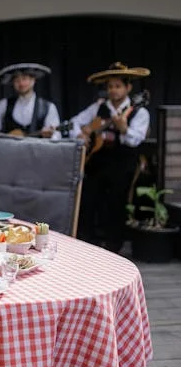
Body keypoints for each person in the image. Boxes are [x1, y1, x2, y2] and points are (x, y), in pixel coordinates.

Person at [70, 62, 151, 251]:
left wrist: (124, 129)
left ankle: (114, 247)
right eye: (110, 86)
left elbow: (135, 140)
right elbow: (75, 122)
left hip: (122, 164)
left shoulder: (139, 111)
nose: (113, 90)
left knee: (116, 204)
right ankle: (86, 244)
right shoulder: (98, 107)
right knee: (89, 201)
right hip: (96, 163)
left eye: (118, 86)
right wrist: (81, 134)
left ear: (128, 87)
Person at [0, 62, 62, 141]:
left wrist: (50, 136)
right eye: (17, 80)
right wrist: (2, 140)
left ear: (33, 80)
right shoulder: (4, 104)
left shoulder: (48, 107)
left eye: (24, 79)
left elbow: (56, 136)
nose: (21, 83)